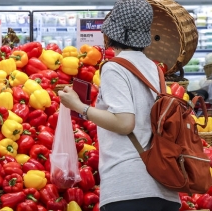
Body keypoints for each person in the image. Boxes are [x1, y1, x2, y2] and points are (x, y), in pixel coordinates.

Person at [58, 0, 181, 210]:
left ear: (113, 33)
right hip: (163, 186)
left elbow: (125, 123)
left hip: (129, 188)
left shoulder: (115, 68)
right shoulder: (154, 69)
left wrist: (79, 107)